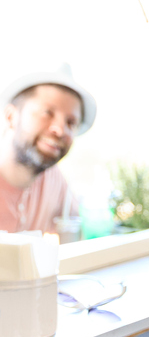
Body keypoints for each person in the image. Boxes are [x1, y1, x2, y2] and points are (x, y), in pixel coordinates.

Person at [0, 71, 96, 234]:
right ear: (11, 117)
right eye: (47, 113)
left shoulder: (54, 180)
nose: (60, 130)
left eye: (71, 123)